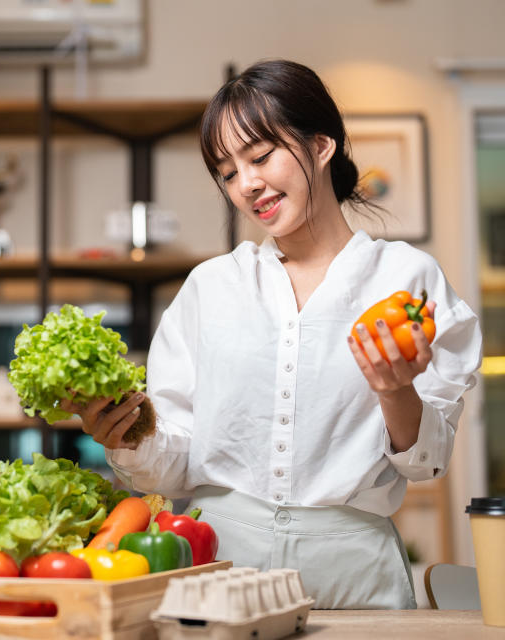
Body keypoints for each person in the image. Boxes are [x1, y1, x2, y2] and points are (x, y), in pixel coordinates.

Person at [63, 59, 482, 609]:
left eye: (260, 157)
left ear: (321, 145)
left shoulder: (406, 280)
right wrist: (125, 435)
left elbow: (427, 462)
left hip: (355, 570)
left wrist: (394, 390)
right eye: (228, 172)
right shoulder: (211, 288)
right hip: (217, 557)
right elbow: (176, 462)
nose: (247, 184)